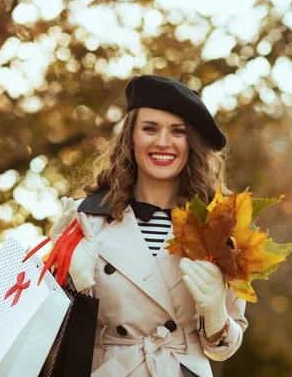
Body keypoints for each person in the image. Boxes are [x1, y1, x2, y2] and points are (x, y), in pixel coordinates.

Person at [50, 75, 248, 377]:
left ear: (191, 142)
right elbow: (50, 332)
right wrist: (70, 284)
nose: (163, 142)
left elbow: (225, 346)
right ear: (131, 137)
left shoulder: (218, 225)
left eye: (178, 132)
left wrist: (215, 312)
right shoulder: (85, 219)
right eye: (150, 128)